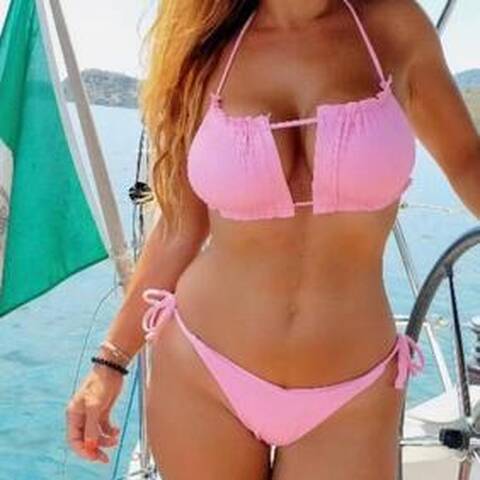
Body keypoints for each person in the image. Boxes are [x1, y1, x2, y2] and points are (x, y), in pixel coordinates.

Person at [66, 0, 480, 478]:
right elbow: (180, 227)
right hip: (205, 372)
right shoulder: (205, 44)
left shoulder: (393, 27)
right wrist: (110, 361)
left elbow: (467, 161)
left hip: (352, 394)